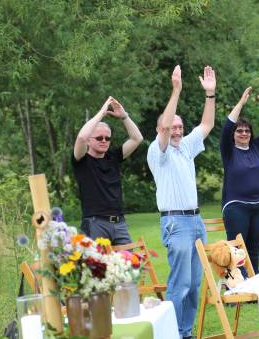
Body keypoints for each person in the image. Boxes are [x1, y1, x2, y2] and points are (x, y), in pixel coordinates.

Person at [147, 65, 216, 339]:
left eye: (180, 126)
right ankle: (171, 334)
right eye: (172, 126)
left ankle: (185, 333)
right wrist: (176, 90)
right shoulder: (157, 151)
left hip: (196, 221)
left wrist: (209, 95)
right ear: (162, 129)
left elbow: (207, 124)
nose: (176, 130)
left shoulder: (186, 146)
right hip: (175, 222)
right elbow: (164, 125)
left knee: (195, 284)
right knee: (181, 283)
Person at [72, 96, 143, 244]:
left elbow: (137, 139)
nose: (104, 141)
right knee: (96, 266)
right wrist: (102, 113)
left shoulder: (114, 157)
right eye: (99, 138)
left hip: (119, 224)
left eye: (107, 138)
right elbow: (81, 138)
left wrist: (124, 116)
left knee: (130, 265)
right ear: (90, 141)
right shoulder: (82, 160)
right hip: (95, 223)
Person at [220, 86, 259, 272]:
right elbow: (226, 127)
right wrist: (241, 103)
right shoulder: (229, 151)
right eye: (239, 131)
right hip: (236, 207)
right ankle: (236, 289)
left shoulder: (256, 147)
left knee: (254, 250)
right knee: (237, 250)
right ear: (233, 135)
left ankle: (252, 288)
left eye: (247, 131)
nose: (243, 134)